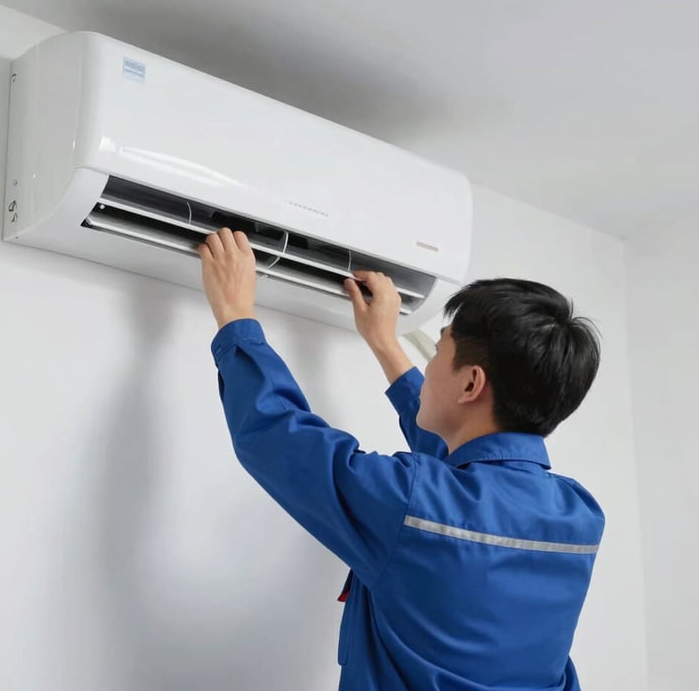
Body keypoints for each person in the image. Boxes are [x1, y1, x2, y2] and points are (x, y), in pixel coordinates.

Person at [198, 227, 604, 691]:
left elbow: (279, 438)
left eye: (439, 350)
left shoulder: (410, 504)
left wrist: (235, 315)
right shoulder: (579, 517)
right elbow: (465, 479)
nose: (429, 365)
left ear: (471, 383)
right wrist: (385, 344)